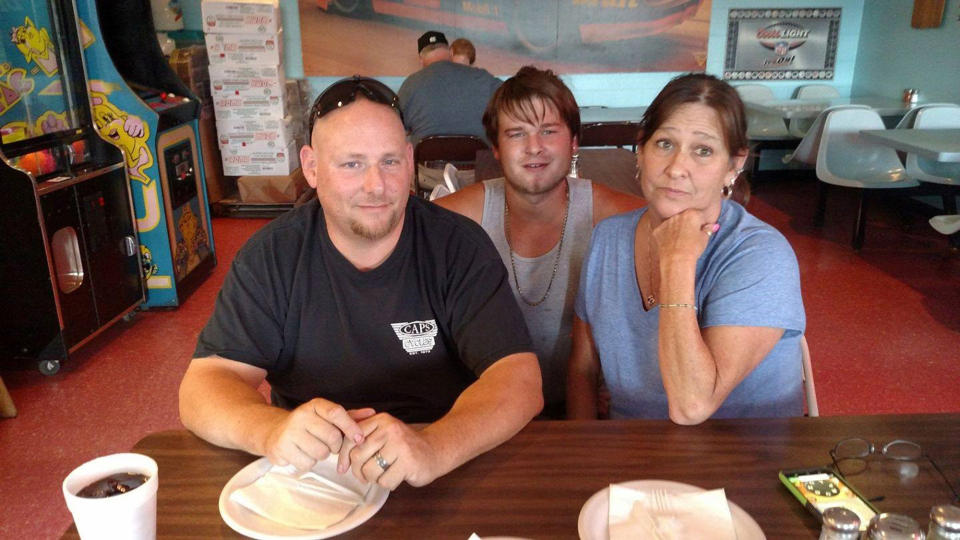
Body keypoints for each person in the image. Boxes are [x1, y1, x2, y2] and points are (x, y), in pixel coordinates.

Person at [179, 76, 543, 491]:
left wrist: (434, 447)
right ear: (312, 167)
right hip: (313, 476)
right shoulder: (272, 256)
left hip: (439, 468)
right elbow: (204, 385)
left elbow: (519, 378)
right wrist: (270, 431)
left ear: (409, 160)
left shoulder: (457, 246)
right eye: (352, 163)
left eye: (389, 161)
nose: (376, 185)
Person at [567, 73, 805, 424]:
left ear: (734, 165)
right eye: (664, 144)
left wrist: (677, 258)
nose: (677, 168)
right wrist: (584, 458)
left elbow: (692, 405)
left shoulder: (761, 254)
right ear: (641, 150)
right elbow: (583, 368)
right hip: (630, 459)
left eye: (703, 151)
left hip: (743, 463)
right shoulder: (608, 238)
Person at [435, 66, 643, 418]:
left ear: (574, 141)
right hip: (482, 410)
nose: (534, 147)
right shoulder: (458, 217)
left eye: (549, 131)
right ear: (497, 148)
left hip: (582, 408)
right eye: (517, 134)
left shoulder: (614, 215)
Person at [398, 30, 501, 146]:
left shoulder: (410, 84)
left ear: (421, 59)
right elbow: (512, 101)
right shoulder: (483, 78)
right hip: (479, 162)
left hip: (426, 162)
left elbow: (397, 127)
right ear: (451, 52)